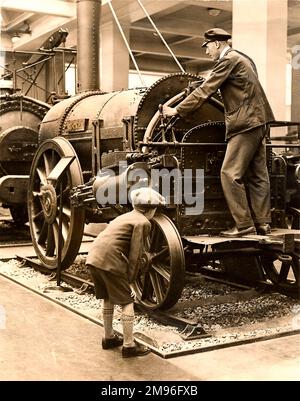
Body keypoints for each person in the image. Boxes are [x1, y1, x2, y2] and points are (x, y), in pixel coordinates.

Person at [162, 28, 275, 237]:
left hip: (245, 123)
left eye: (207, 47)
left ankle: (244, 226)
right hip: (259, 122)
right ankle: (262, 223)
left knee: (229, 173)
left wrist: (176, 110)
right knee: (258, 174)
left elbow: (207, 90)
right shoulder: (243, 59)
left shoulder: (228, 60)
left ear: (216, 44)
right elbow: (216, 83)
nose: (206, 52)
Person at [86, 187, 165, 358]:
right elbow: (136, 255)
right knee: (127, 302)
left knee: (108, 297)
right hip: (109, 262)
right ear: (150, 210)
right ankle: (129, 346)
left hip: (93, 258)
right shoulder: (143, 222)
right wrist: (131, 280)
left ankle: (108, 337)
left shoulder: (124, 217)